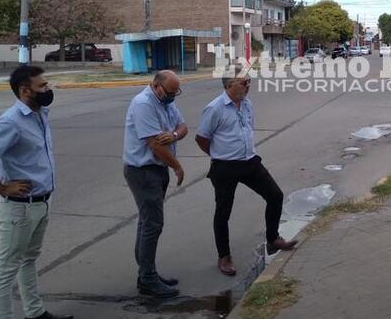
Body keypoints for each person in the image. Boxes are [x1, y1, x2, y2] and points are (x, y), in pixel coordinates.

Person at [0, 66, 72, 319]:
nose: (48, 89)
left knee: (29, 260)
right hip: (20, 207)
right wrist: (2, 188)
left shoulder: (40, 113)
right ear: (25, 90)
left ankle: (35, 313)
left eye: (47, 84)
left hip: (41, 203)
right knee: (6, 270)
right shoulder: (11, 121)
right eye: (42, 86)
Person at [195, 70, 297, 277]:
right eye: (244, 83)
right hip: (225, 167)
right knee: (223, 212)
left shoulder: (248, 104)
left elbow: (247, 129)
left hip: (250, 162)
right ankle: (224, 256)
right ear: (230, 85)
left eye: (249, 82)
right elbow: (202, 138)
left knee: (275, 196)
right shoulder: (215, 108)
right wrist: (219, 154)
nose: (248, 86)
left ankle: (273, 239)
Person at [123, 70, 188, 298]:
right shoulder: (143, 104)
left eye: (175, 92)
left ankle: (147, 272)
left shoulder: (165, 102)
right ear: (156, 86)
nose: (173, 96)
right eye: (170, 92)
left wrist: (174, 135)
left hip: (156, 170)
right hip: (143, 171)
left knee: (147, 222)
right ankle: (147, 280)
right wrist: (177, 166)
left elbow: (183, 127)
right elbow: (155, 145)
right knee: (153, 224)